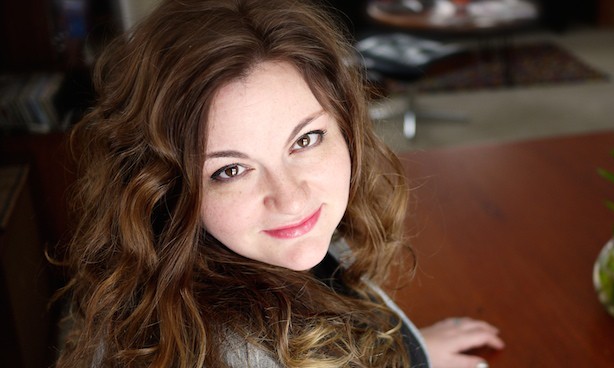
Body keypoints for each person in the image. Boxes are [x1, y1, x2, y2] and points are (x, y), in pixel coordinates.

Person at [55, 0, 503, 366]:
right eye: (230, 170)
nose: (291, 199)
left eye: (306, 139)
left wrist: (410, 350)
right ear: (165, 190)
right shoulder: (229, 354)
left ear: (346, 127)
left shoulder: (265, 255)